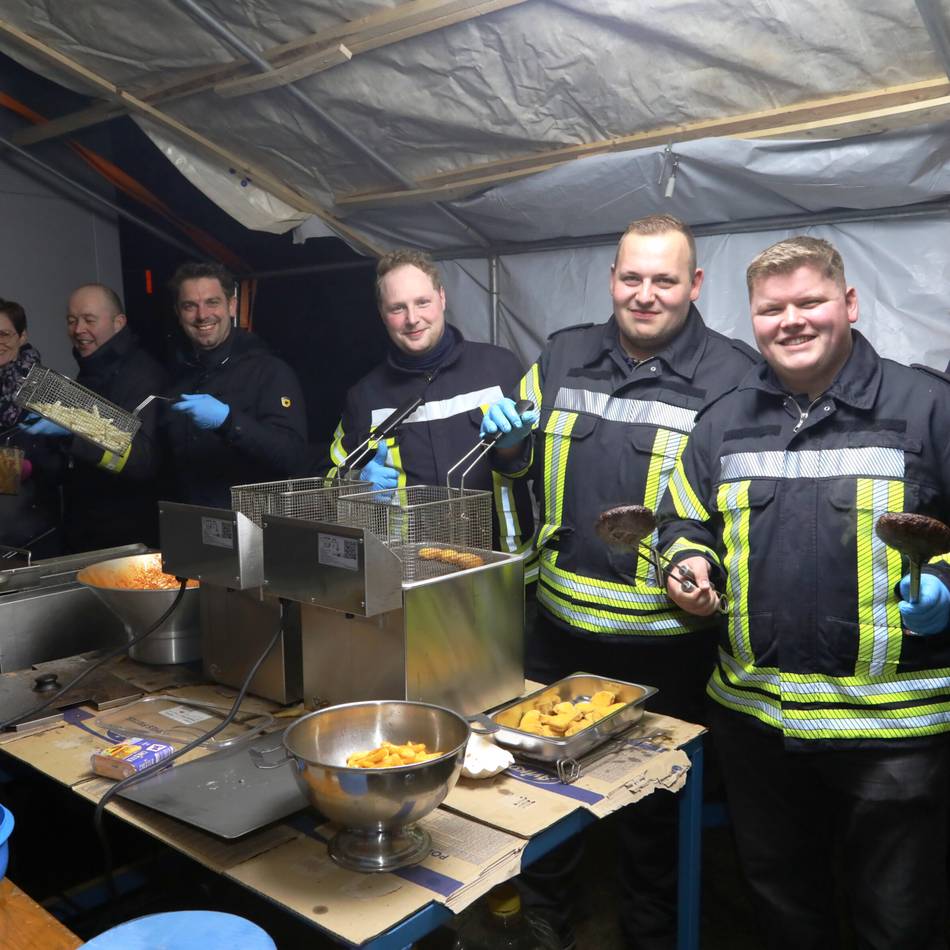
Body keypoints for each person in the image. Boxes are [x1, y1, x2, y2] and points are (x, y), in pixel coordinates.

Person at [658, 236, 950, 950]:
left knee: (901, 923)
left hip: (895, 740)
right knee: (785, 912)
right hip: (760, 731)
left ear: (847, 303)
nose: (791, 320)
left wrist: (947, 584)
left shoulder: (927, 408)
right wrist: (686, 565)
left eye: (809, 302)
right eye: (771, 309)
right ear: (752, 318)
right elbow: (680, 515)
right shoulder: (725, 422)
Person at [480, 215, 758, 949]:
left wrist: (707, 577)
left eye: (664, 280)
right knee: (539, 792)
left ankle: (650, 933)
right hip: (559, 636)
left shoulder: (735, 376)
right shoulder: (564, 354)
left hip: (667, 648)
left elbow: (740, 509)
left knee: (654, 814)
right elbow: (518, 470)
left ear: (694, 285)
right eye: (631, 277)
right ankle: (543, 918)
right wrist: (508, 448)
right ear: (611, 279)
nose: (645, 294)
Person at [324, 249, 534, 556]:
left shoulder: (500, 367)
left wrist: (514, 449)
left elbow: (544, 471)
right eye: (398, 308)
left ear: (442, 299)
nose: (412, 319)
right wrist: (357, 485)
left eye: (422, 302)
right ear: (383, 314)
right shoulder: (365, 396)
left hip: (505, 569)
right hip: (413, 573)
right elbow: (331, 479)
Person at [21, 285, 167, 551]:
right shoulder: (91, 369)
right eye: (72, 320)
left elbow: (143, 461)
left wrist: (73, 430)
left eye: (89, 320)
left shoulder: (142, 375)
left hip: (127, 536)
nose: (78, 330)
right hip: (87, 527)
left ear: (118, 323)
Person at [164, 261, 307, 508]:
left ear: (231, 306)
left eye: (212, 302)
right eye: (190, 306)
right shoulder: (177, 375)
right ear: (178, 313)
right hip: (191, 523)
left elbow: (291, 456)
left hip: (251, 528)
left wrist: (229, 421)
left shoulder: (268, 371)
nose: (201, 315)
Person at [0, 298, 60, 555]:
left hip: (33, 530)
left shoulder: (44, 386)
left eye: (4, 334)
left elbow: (59, 462)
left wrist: (13, 468)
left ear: (22, 336)